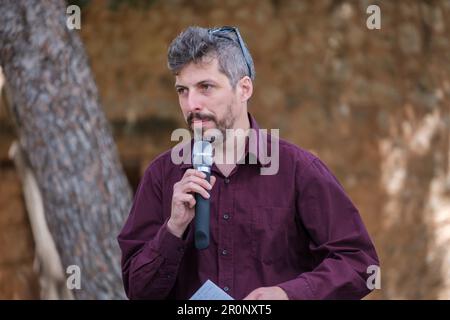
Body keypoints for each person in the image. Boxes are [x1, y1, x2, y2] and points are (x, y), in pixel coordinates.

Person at [117, 26, 379, 300]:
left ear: (244, 88)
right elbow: (138, 291)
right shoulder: (162, 175)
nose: (191, 103)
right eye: (183, 90)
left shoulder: (298, 170)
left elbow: (360, 264)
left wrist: (288, 294)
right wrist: (174, 228)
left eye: (205, 87)